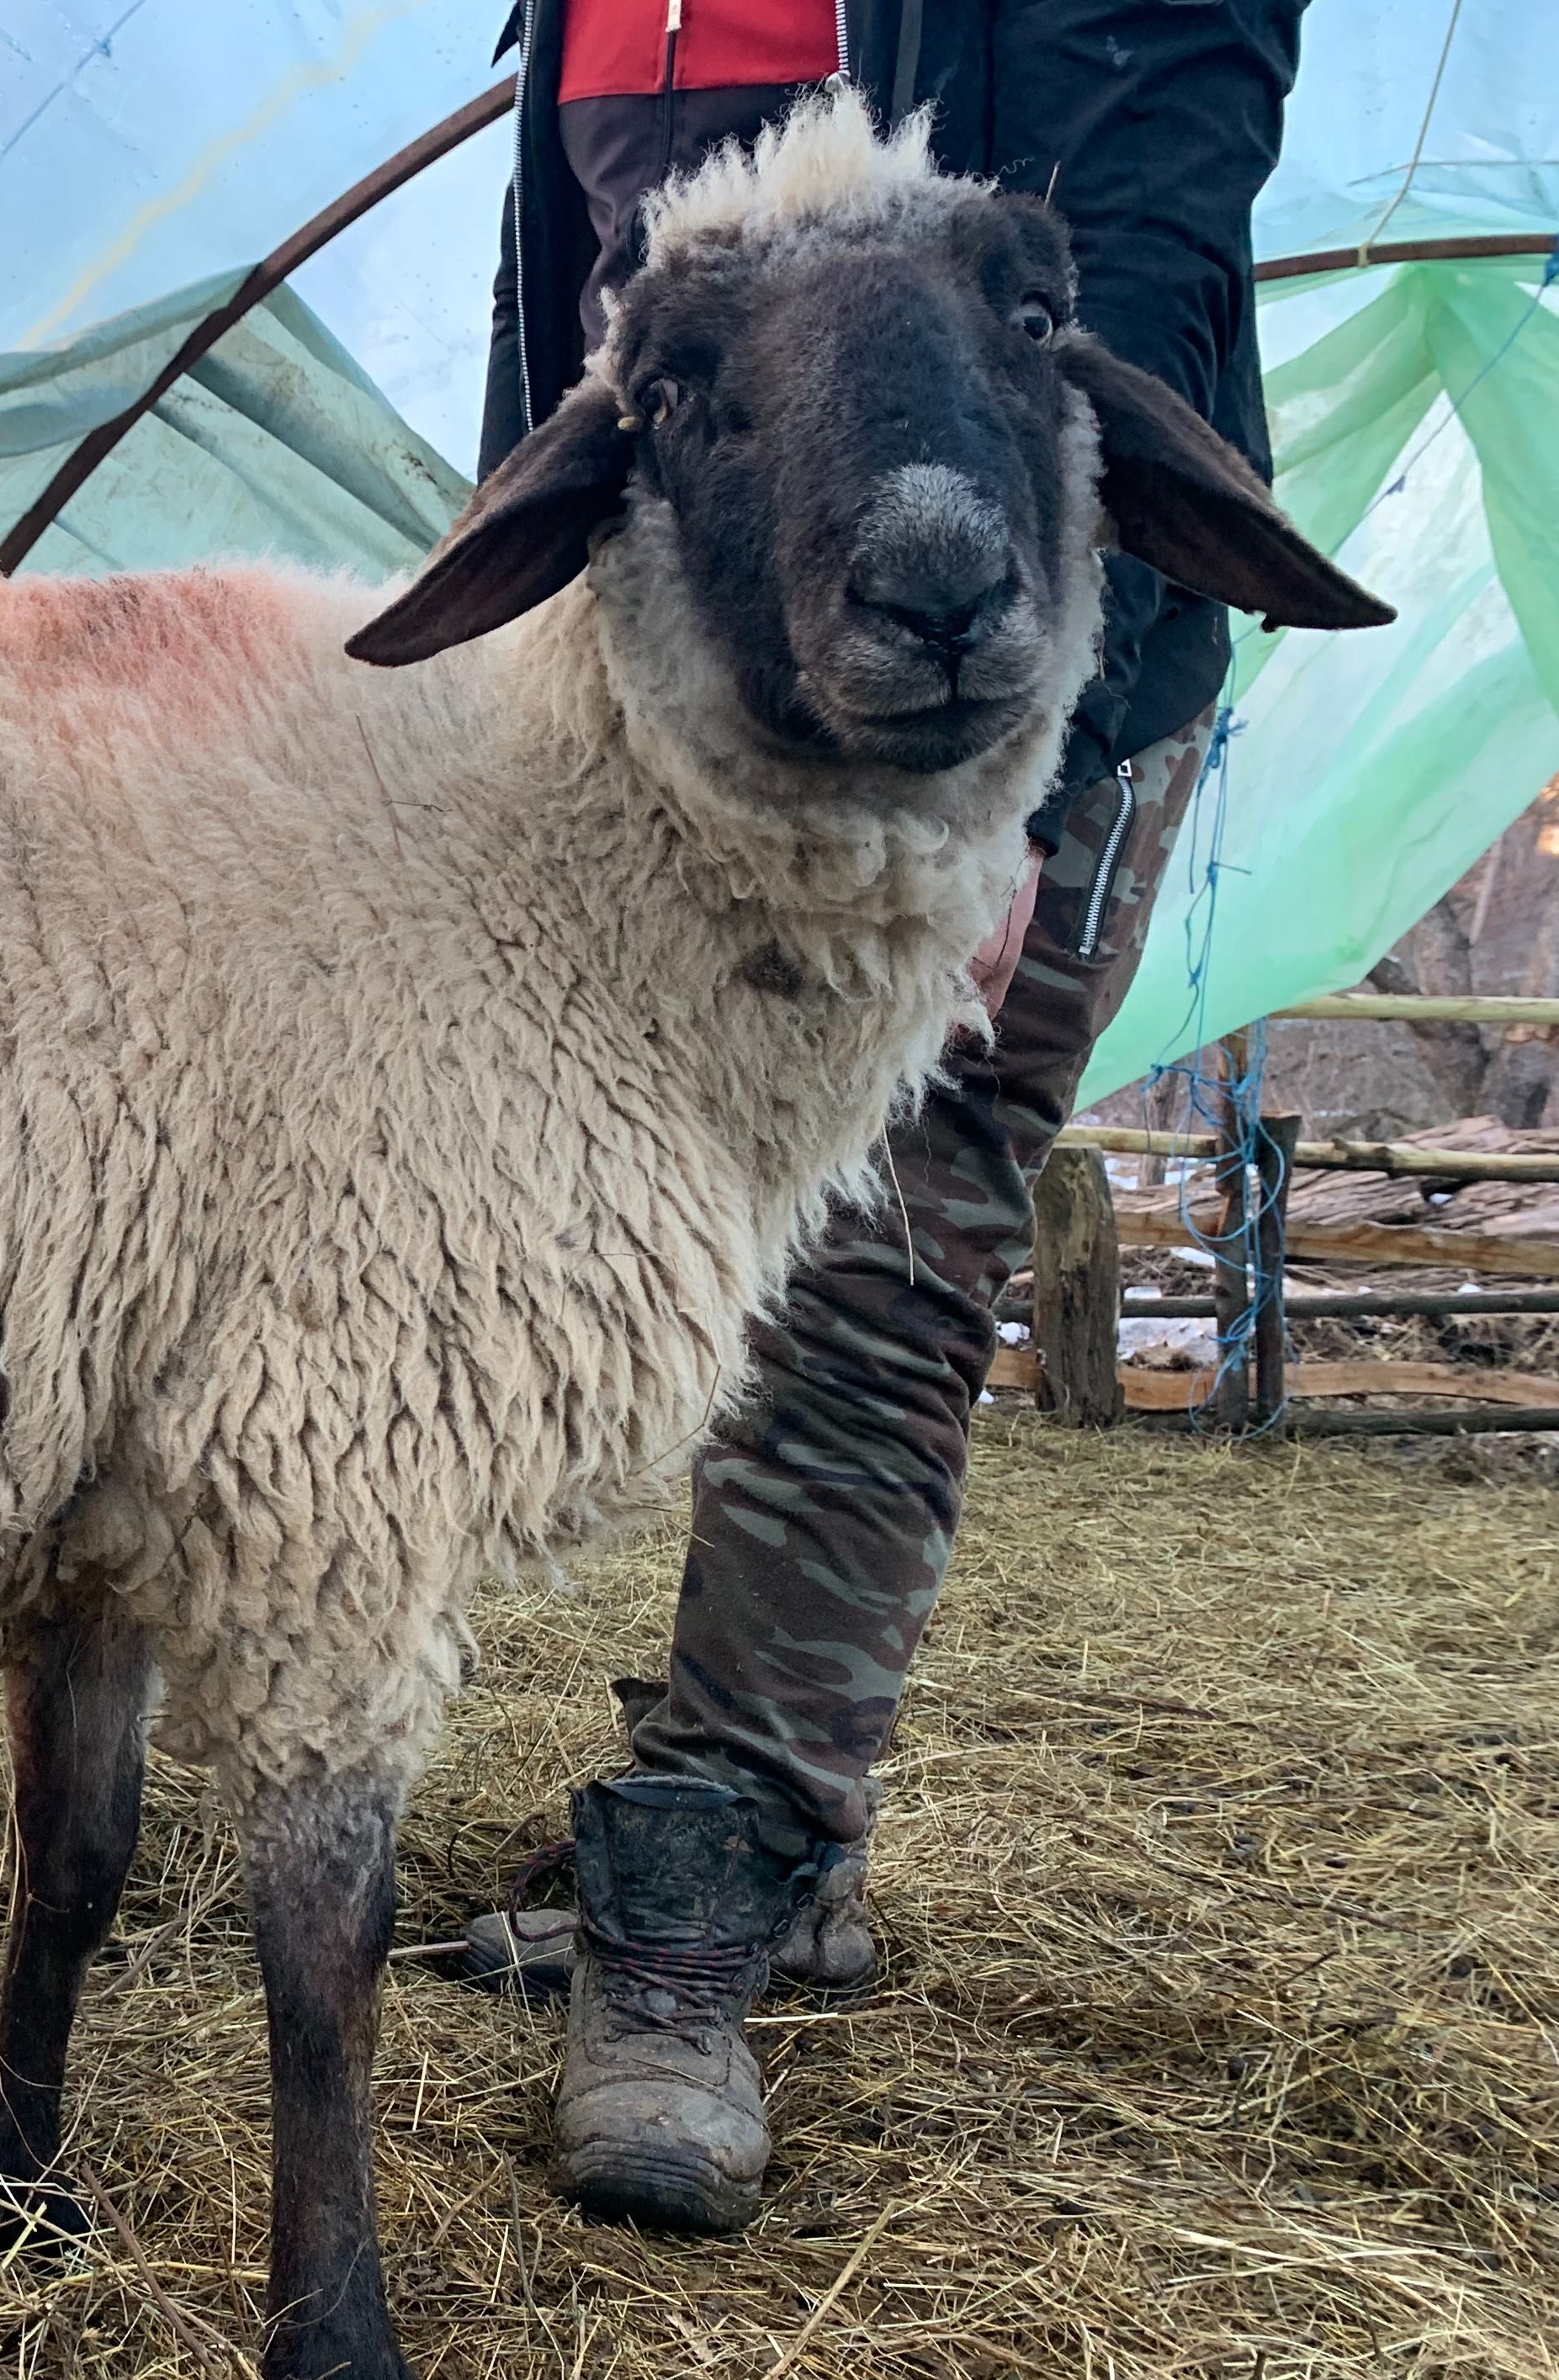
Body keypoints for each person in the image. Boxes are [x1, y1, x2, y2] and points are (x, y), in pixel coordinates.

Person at [458, 0, 1312, 2234]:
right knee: (655, 1221)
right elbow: (590, 299)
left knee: (891, 1244)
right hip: (706, 666)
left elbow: (1137, 219)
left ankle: (716, 1898)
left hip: (997, 653)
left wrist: (1026, 755)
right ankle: (691, 1762)